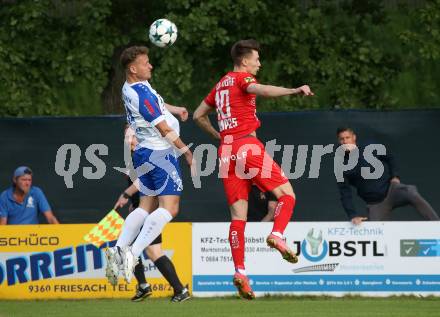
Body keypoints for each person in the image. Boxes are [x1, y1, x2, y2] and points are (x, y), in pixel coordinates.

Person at [193, 39, 314, 299]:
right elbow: (263, 89)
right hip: (247, 145)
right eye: (256, 59)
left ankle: (240, 272)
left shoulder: (220, 84)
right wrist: (293, 90)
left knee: (238, 218)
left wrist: (217, 134)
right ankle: (278, 235)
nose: (259, 63)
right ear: (244, 60)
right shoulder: (241, 80)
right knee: (287, 195)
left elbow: (197, 115)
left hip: (226, 150)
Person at [104, 46, 193, 302]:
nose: (150, 66)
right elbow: (162, 126)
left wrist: (176, 109)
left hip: (144, 153)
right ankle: (133, 252)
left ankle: (119, 249)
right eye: (146, 63)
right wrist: (186, 151)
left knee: (145, 204)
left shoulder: (131, 87)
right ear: (134, 68)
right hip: (160, 153)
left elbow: (158, 106)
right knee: (170, 208)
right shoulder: (140, 92)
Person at [114, 126, 189, 302]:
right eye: (126, 137)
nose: (129, 140)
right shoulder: (135, 156)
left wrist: (127, 195)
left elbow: (145, 182)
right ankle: (145, 286)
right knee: (141, 247)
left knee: (152, 251)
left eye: (131, 136)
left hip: (152, 213)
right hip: (145, 210)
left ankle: (176, 289)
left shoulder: (148, 153)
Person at [336, 127, 439, 224]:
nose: (345, 142)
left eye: (347, 138)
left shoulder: (369, 147)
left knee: (411, 192)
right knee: (377, 233)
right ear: (339, 142)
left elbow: (390, 157)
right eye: (342, 139)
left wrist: (395, 176)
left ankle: (436, 224)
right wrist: (352, 215)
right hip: (375, 203)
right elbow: (345, 193)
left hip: (392, 190)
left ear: (354, 137)